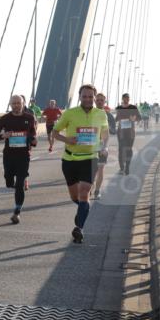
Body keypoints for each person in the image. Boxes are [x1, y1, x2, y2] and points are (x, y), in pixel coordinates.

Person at [52, 84, 109, 243]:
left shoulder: (101, 114)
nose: (88, 99)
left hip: (90, 158)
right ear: (80, 97)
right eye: (85, 96)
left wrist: (104, 147)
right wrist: (66, 139)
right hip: (70, 159)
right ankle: (83, 206)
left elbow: (105, 133)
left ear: (94, 97)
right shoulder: (70, 113)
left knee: (84, 192)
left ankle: (79, 228)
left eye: (91, 96)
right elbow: (55, 132)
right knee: (75, 196)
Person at [0, 95, 37, 223]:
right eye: (14, 103)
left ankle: (17, 212)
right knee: (9, 182)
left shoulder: (29, 118)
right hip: (9, 155)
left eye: (19, 103)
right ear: (10, 104)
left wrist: (33, 141)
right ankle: (12, 182)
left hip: (24, 156)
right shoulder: (5, 119)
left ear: (23, 104)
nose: (16, 105)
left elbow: (33, 135)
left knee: (19, 184)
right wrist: (4, 135)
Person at [92, 93, 115, 200]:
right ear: (95, 101)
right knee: (91, 170)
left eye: (102, 100)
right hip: (90, 146)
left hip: (101, 146)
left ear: (105, 102)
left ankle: (97, 191)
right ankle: (90, 187)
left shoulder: (108, 115)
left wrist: (105, 147)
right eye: (98, 100)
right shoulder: (89, 113)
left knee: (100, 168)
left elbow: (112, 131)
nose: (100, 101)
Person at [114, 93, 140, 175]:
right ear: (122, 99)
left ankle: (127, 167)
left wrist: (134, 119)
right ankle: (122, 168)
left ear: (129, 99)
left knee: (129, 149)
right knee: (121, 149)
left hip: (130, 132)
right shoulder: (119, 108)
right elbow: (116, 119)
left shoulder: (133, 107)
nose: (126, 99)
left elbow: (139, 117)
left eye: (128, 98)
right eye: (125, 98)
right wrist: (116, 120)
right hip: (121, 132)